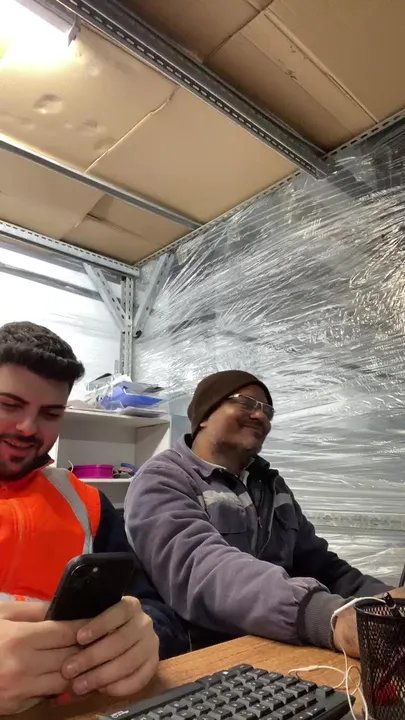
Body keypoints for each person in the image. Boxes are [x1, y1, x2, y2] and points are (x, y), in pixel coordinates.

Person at [126, 369, 405, 659]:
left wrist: (386, 599)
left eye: (267, 411)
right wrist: (324, 615)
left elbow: (323, 566)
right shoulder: (162, 479)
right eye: (246, 403)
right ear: (204, 415)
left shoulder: (271, 486)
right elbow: (203, 570)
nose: (261, 416)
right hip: (203, 657)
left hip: (275, 646)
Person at [0, 321, 188, 716]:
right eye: (8, 405)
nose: (28, 428)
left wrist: (144, 635)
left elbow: (154, 611)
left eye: (50, 413)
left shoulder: (88, 505)